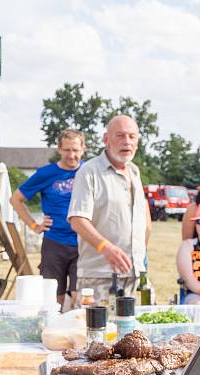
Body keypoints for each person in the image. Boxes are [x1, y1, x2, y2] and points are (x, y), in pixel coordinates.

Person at [68, 116, 151, 305]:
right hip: (98, 276)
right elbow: (77, 219)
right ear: (106, 139)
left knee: (126, 333)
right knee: (93, 333)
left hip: (131, 275)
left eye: (132, 136)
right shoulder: (89, 171)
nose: (127, 142)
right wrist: (105, 247)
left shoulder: (135, 172)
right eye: (120, 136)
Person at [10, 129, 86, 306]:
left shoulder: (90, 172)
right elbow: (16, 199)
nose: (71, 155)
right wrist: (34, 225)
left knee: (80, 297)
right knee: (54, 298)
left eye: (75, 150)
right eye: (67, 150)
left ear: (83, 149)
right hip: (54, 243)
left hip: (84, 243)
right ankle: (55, 331)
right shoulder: (46, 173)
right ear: (59, 149)